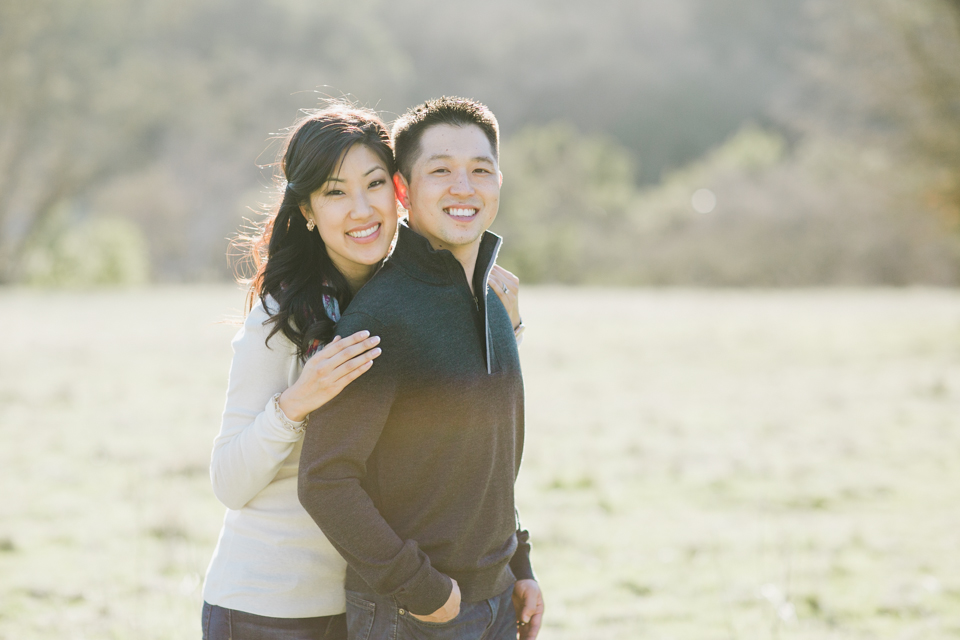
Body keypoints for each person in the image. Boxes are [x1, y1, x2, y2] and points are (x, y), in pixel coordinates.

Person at [201, 103, 526, 640]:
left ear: (397, 192)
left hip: (372, 593)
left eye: (373, 183)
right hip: (273, 604)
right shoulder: (282, 318)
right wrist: (295, 403)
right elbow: (229, 483)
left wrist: (501, 329)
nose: (360, 208)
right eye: (334, 192)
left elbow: (464, 456)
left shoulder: (413, 300)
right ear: (307, 209)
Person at [297, 97, 544, 640]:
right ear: (404, 191)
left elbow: (486, 458)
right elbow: (324, 479)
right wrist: (424, 593)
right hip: (418, 615)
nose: (464, 186)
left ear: (499, 182)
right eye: (441, 171)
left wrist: (518, 566)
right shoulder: (383, 316)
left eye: (480, 170)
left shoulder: (493, 299)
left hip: (499, 601)